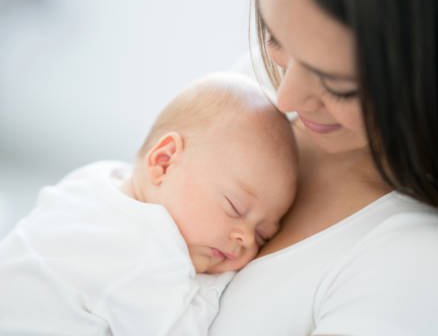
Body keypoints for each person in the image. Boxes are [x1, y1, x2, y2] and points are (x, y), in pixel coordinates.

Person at [210, 0, 438, 335]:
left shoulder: (421, 272)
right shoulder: (258, 82)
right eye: (275, 36)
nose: (285, 99)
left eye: (340, 88)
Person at [0, 72, 298, 336]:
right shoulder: (149, 255)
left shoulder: (98, 178)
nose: (245, 238)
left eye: (263, 235)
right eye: (234, 207)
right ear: (164, 162)